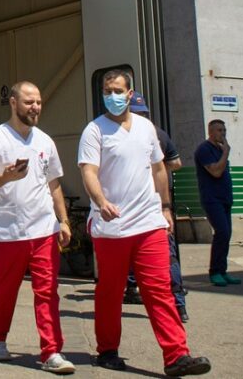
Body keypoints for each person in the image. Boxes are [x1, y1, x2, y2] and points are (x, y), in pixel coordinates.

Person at [79, 70, 211, 376]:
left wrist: (165, 207)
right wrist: (101, 201)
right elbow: (88, 171)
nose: (112, 96)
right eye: (107, 91)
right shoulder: (94, 131)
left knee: (159, 289)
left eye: (117, 90)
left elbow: (159, 169)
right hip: (111, 228)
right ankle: (107, 350)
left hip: (148, 223)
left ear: (130, 94)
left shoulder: (146, 127)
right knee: (110, 292)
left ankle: (176, 355)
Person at [0, 81, 77, 374]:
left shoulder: (45, 141)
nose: (35, 107)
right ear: (13, 103)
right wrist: (4, 178)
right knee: (4, 291)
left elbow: (53, 183)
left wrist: (63, 220)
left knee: (47, 291)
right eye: (29, 102)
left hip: (44, 230)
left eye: (38, 102)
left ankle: (51, 351)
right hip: (8, 233)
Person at [124, 91, 189, 323]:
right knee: (166, 255)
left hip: (142, 203)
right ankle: (178, 303)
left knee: (134, 249)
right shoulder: (158, 132)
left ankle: (135, 289)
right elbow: (176, 162)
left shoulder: (127, 133)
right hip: (159, 202)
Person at [194, 120, 239, 287]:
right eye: (219, 130)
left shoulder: (220, 149)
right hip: (212, 199)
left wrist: (224, 151)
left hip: (225, 198)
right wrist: (226, 152)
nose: (223, 133)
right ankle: (215, 272)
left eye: (224, 130)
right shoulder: (204, 150)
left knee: (226, 235)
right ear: (210, 132)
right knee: (222, 232)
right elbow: (216, 172)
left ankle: (222, 270)